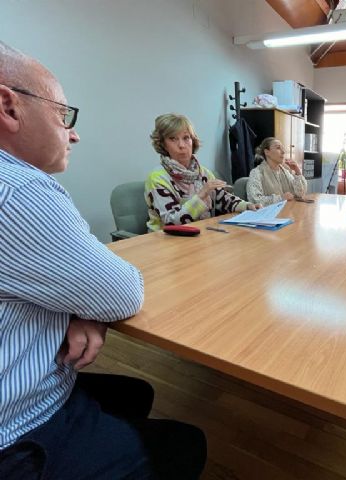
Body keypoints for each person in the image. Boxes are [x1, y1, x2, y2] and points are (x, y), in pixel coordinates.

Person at [0, 42, 206, 478]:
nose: (73, 133)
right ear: (8, 106)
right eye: (63, 116)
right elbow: (121, 292)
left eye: (189, 137)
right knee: (187, 443)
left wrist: (81, 305)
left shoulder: (200, 170)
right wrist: (91, 302)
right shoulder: (20, 190)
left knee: (137, 395)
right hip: (15, 434)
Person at [146, 113, 259, 231]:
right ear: (163, 145)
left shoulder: (203, 172)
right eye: (172, 139)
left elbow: (223, 199)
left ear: (193, 140)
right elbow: (171, 222)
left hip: (201, 233)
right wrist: (201, 195)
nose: (181, 145)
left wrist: (247, 206)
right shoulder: (157, 178)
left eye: (186, 138)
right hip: (165, 240)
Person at [246, 137, 307, 205]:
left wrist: (297, 171)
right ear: (267, 152)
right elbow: (254, 200)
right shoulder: (256, 173)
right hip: (269, 214)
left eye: (282, 148)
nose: (283, 152)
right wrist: (280, 198)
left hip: (287, 211)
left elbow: (300, 193)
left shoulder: (285, 171)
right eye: (278, 148)